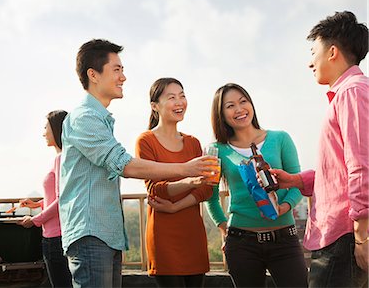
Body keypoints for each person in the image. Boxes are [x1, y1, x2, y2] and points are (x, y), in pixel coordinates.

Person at [58, 39, 217, 288]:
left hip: (105, 234)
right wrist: (187, 170)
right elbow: (125, 165)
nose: (123, 77)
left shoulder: (101, 119)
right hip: (91, 233)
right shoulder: (85, 118)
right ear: (93, 75)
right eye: (117, 70)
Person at [267, 11, 369, 287]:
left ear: (332, 52)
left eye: (314, 51)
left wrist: (362, 237)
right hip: (344, 234)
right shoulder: (351, 93)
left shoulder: (352, 92)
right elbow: (339, 170)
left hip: (344, 235)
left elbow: (361, 166)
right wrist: (296, 180)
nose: (310, 62)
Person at [205, 83, 307, 287]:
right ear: (221, 114)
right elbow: (210, 195)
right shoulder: (216, 150)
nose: (239, 109)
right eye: (230, 105)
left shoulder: (280, 139)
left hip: (284, 239)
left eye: (243, 101)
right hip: (241, 243)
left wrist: (283, 208)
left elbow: (298, 183)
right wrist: (226, 229)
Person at [135, 78, 213, 287]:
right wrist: (190, 181)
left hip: (193, 235)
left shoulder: (193, 142)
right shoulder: (146, 141)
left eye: (182, 96)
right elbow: (155, 190)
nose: (179, 102)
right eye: (172, 97)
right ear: (154, 106)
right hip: (164, 238)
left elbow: (207, 189)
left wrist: (175, 206)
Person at [18, 110, 72, 288]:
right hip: (55, 235)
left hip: (57, 237)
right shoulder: (60, 158)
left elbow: (63, 199)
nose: (43, 133)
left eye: (45, 127)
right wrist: (38, 204)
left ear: (56, 128)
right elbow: (56, 197)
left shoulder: (61, 159)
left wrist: (35, 220)